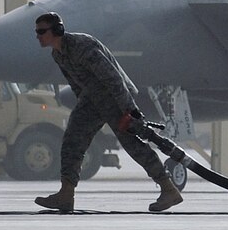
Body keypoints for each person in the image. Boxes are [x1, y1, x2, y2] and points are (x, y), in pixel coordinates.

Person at [32, 11, 183, 213]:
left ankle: (169, 189)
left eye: (42, 31)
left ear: (57, 30)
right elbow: (76, 84)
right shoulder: (58, 54)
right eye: (37, 32)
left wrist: (130, 111)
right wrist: (82, 106)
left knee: (133, 145)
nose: (38, 36)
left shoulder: (81, 47)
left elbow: (113, 78)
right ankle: (66, 194)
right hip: (92, 100)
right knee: (72, 141)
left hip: (114, 97)